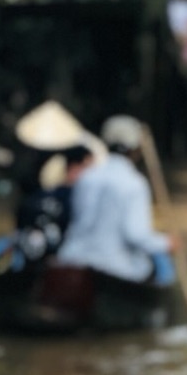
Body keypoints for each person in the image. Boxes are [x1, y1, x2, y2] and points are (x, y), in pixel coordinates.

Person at [55, 115, 173, 282]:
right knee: (161, 262)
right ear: (136, 149)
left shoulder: (87, 177)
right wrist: (167, 243)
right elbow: (136, 235)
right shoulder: (134, 183)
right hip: (115, 268)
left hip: (71, 260)